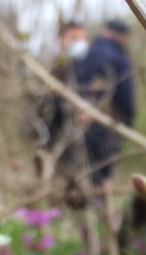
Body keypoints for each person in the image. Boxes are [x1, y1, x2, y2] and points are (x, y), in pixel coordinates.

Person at [75, 18, 136, 191]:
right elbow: (126, 97)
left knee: (85, 170)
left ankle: (87, 209)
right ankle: (100, 209)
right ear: (120, 35)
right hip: (108, 124)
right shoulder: (119, 58)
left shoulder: (88, 53)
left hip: (81, 122)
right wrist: (127, 122)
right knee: (103, 176)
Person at [35, 20, 89, 180]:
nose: (80, 43)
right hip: (53, 131)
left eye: (83, 39)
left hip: (77, 137)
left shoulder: (84, 67)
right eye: (74, 38)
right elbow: (42, 103)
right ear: (61, 39)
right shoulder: (53, 66)